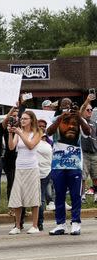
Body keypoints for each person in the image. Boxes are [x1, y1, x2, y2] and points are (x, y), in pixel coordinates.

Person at [46, 97, 92, 235]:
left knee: (75, 195)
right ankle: (60, 224)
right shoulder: (55, 119)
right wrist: (61, 118)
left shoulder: (78, 118)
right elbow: (48, 132)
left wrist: (78, 117)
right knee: (59, 195)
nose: (66, 106)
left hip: (75, 163)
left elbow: (88, 132)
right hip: (58, 164)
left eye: (69, 104)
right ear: (60, 107)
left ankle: (76, 223)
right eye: (63, 104)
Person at [7, 111, 43, 235]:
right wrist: (11, 134)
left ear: (32, 120)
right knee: (18, 196)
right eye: (21, 118)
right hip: (20, 167)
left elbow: (31, 145)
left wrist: (20, 133)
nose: (22, 121)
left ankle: (34, 225)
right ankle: (17, 226)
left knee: (33, 196)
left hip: (32, 168)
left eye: (25, 119)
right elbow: (11, 147)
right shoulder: (18, 132)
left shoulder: (37, 133)